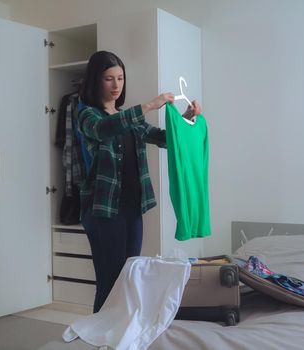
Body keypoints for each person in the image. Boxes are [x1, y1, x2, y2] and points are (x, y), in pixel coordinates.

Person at [77, 50, 201, 313]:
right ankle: (100, 335)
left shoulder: (128, 118)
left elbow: (163, 138)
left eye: (120, 78)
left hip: (132, 208)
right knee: (109, 282)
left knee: (129, 277)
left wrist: (187, 119)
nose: (116, 85)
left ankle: (121, 332)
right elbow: (103, 130)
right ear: (96, 81)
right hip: (103, 211)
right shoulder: (89, 116)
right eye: (109, 78)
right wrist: (148, 105)